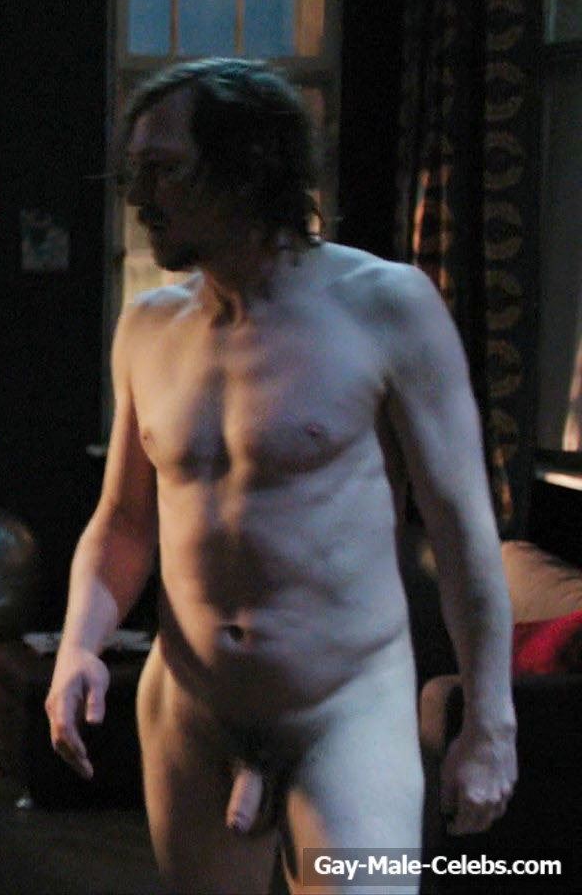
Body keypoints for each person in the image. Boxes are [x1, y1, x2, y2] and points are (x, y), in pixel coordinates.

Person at [45, 58, 516, 892]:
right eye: (133, 172)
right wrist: (79, 645)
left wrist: (491, 725)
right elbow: (123, 522)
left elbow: (463, 533)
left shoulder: (387, 306)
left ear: (249, 167)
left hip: (346, 713)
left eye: (163, 170)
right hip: (189, 707)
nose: (138, 196)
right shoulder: (148, 326)